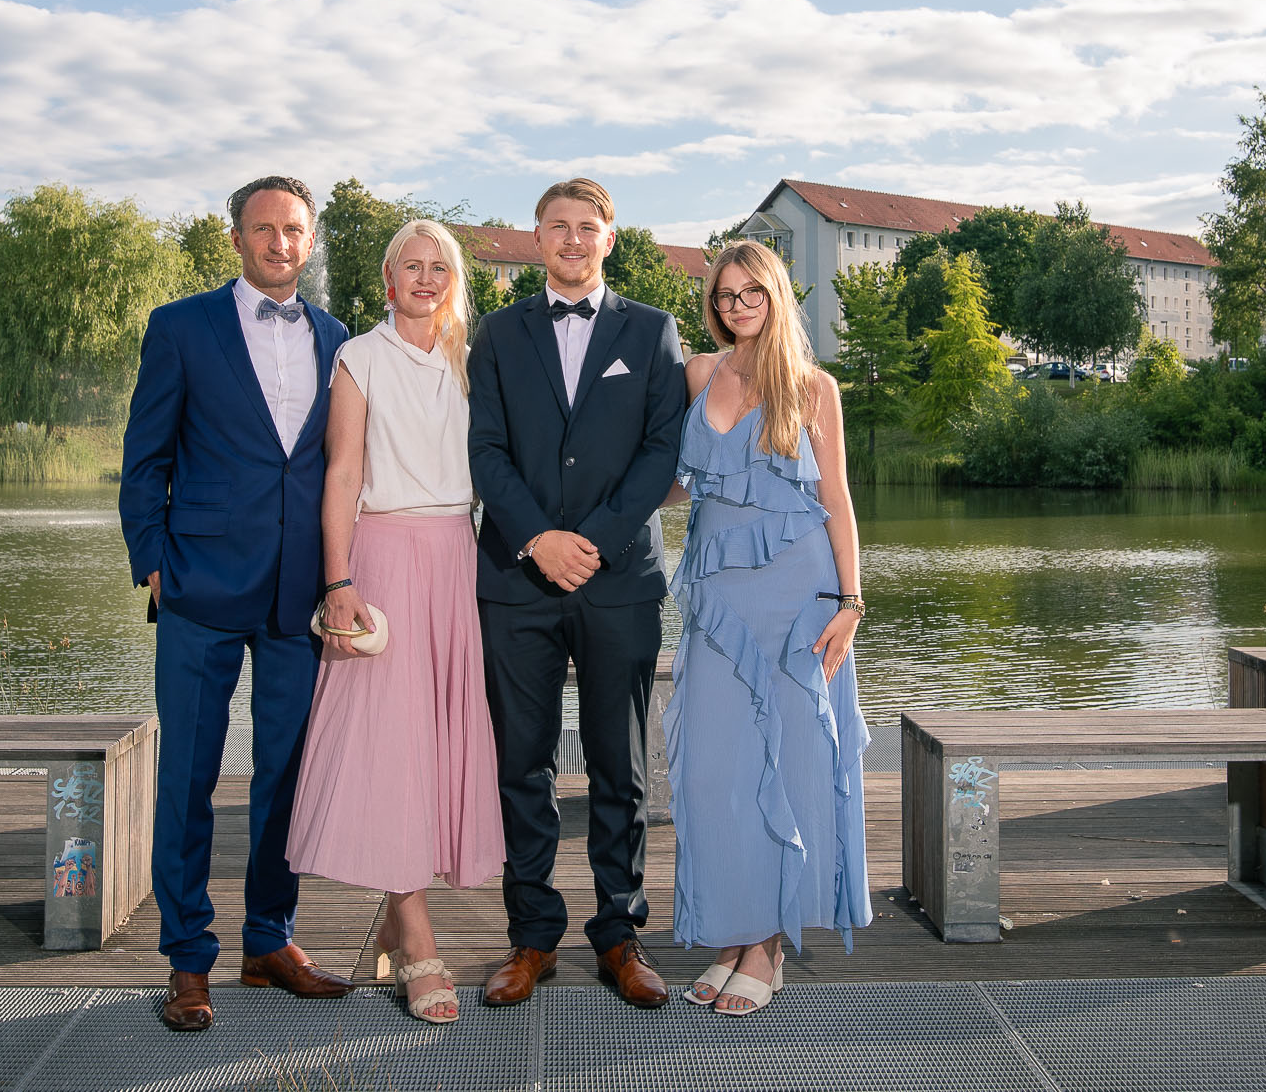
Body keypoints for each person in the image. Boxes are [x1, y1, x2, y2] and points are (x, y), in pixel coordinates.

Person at [120, 175, 356, 1033]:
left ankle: (269, 940)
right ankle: (188, 958)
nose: (280, 243)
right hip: (199, 586)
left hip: (299, 594)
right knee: (187, 777)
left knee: (285, 776)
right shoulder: (181, 326)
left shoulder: (339, 339)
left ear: (310, 239)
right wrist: (153, 562)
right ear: (237, 238)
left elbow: (337, 465)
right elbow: (145, 455)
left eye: (294, 230)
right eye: (264, 229)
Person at [469, 177, 687, 1010]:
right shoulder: (497, 333)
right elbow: (485, 450)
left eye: (586, 225)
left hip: (617, 576)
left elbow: (662, 450)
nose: (571, 238)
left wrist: (590, 541)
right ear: (536, 237)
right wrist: (538, 539)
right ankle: (532, 936)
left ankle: (620, 934)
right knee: (520, 762)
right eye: (557, 225)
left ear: (609, 237)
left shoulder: (652, 329)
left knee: (618, 763)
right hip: (516, 578)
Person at [285, 220, 504, 1023]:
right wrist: (338, 579)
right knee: (391, 744)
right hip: (382, 556)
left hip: (455, 555)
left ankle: (396, 914)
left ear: (454, 280)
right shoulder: (359, 357)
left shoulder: (470, 360)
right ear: (387, 278)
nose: (425, 277)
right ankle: (415, 934)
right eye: (410, 265)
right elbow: (341, 473)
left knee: (436, 743)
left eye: (438, 265)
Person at [666, 238, 870, 1016]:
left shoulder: (815, 387)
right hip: (719, 599)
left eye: (752, 291)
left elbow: (837, 498)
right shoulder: (697, 372)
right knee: (714, 768)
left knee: (787, 766)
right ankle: (735, 928)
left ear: (777, 294)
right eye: (725, 294)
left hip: (798, 597)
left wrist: (851, 602)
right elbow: (678, 480)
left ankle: (765, 944)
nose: (737, 305)